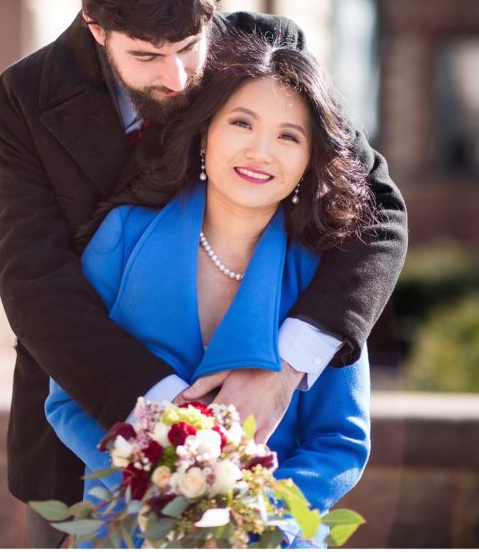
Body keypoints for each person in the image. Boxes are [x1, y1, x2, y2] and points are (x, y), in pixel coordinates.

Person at [0, 0, 406, 547]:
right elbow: (34, 285)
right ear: (97, 29)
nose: (179, 76)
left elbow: (376, 214)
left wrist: (285, 367)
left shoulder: (265, 52)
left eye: (189, 47)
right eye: (148, 56)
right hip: (85, 439)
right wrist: (174, 433)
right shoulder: (26, 98)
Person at [46, 33, 372, 547]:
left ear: (310, 159)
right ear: (205, 132)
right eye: (241, 123)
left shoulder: (324, 276)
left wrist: (251, 519)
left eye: (289, 136)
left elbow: (340, 439)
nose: (260, 152)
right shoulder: (124, 235)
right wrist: (155, 491)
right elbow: (67, 399)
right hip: (132, 528)